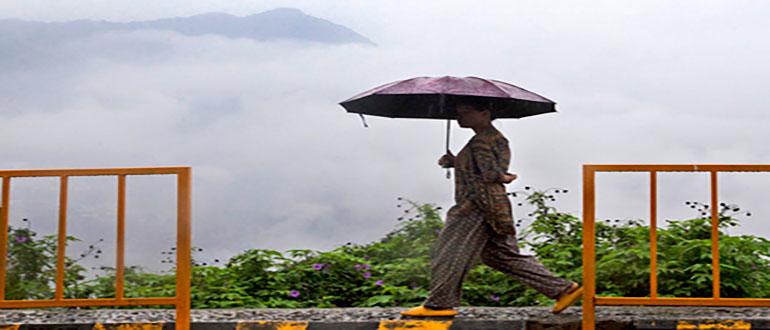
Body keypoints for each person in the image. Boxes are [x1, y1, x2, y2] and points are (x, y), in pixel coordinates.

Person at [400, 100, 583, 317]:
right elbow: (484, 170)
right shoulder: (495, 138)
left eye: (465, 111)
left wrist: (502, 177)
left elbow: (488, 174)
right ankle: (563, 289)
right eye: (459, 112)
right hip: (495, 205)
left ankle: (438, 305)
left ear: (485, 113)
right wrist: (457, 162)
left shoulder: (480, 142)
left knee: (449, 252)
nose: (460, 117)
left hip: (475, 206)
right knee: (499, 255)